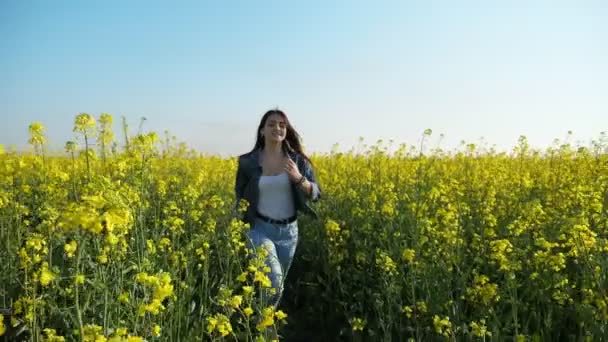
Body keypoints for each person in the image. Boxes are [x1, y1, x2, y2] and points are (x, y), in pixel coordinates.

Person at [234, 109, 321, 308]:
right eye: (271, 124)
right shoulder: (247, 163)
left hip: (289, 233)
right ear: (262, 131)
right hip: (259, 229)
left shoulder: (298, 161)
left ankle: (262, 325)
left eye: (282, 125)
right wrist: (234, 219)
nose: (277, 128)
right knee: (274, 282)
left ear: (286, 130)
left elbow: (316, 193)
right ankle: (261, 324)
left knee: (274, 286)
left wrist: (299, 179)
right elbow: (240, 196)